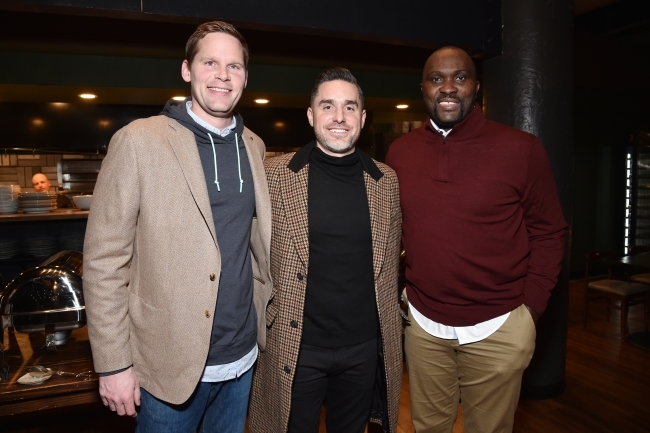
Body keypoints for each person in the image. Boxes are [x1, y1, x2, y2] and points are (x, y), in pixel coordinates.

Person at [82, 21, 272, 433]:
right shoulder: (139, 141)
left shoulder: (254, 147)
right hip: (166, 369)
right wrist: (114, 363)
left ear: (245, 77)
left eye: (234, 66)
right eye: (210, 63)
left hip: (241, 359)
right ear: (187, 70)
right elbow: (103, 261)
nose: (223, 75)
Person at [386, 46, 567, 433]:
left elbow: (550, 231)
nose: (448, 87)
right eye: (437, 79)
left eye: (460, 78)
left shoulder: (522, 149)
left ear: (476, 87)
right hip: (423, 327)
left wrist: (529, 312)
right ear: (423, 88)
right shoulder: (399, 153)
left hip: (498, 326)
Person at [248, 68, 403, 433]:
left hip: (362, 349)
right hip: (295, 346)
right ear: (310, 114)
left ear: (362, 118)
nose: (338, 118)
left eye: (350, 108)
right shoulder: (274, 176)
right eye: (328, 106)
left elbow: (390, 271)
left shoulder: (386, 181)